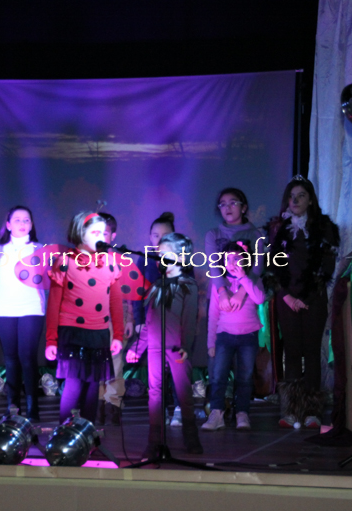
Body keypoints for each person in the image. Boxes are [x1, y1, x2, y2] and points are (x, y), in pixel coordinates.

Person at [266, 176, 340, 428]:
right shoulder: (278, 228)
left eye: (301, 196)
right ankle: (291, 410)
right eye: (291, 196)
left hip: (313, 298)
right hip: (286, 298)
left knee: (312, 352)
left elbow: (327, 266)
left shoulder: (324, 227)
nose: (295, 200)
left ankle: (311, 411)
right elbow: (272, 267)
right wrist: (287, 296)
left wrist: (305, 297)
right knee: (292, 352)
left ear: (310, 200)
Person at [126, 233, 203, 457]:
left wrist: (185, 345)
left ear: (181, 257)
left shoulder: (187, 285)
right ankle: (155, 440)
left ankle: (191, 437)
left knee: (183, 391)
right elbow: (150, 321)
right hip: (155, 348)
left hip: (176, 347)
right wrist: (137, 348)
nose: (160, 257)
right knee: (155, 393)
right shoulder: (156, 286)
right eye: (158, 254)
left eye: (165, 253)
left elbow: (189, 320)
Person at [45, 211, 123, 422]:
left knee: (93, 384)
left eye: (103, 233)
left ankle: (87, 431)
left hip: (98, 332)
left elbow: (116, 302)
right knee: (74, 382)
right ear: (80, 233)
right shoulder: (65, 262)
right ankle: (65, 429)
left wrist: (118, 335)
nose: (100, 237)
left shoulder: (109, 262)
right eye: (95, 232)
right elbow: (53, 304)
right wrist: (51, 339)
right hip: (73, 331)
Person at [0, 206, 46, 420]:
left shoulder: (39, 249)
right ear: (8, 224)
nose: (22, 223)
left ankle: (32, 407)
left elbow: (46, 278)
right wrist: (6, 297)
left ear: (31, 225)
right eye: (17, 219)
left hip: (32, 307)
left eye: (26, 220)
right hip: (5, 309)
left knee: (28, 358)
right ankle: (13, 407)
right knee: (10, 359)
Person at [202, 240, 266, 431]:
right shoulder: (219, 284)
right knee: (218, 376)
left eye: (237, 258)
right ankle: (217, 413)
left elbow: (260, 299)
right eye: (228, 258)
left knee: (244, 378)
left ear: (246, 260)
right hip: (224, 336)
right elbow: (213, 315)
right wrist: (211, 343)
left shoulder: (252, 280)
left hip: (248, 336)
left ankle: (242, 413)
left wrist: (244, 278)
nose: (232, 262)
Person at [131, 212, 182, 425]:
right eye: (155, 235)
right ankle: (160, 410)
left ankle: (179, 408)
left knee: (178, 369)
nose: (160, 239)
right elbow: (136, 293)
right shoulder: (144, 259)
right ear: (150, 237)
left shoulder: (182, 259)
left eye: (165, 235)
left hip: (176, 326)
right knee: (157, 373)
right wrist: (139, 320)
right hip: (152, 325)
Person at [96, 212, 133, 425]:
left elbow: (130, 292)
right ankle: (98, 402)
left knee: (115, 361)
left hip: (116, 317)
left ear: (113, 235)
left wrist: (130, 319)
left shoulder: (121, 260)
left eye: (105, 232)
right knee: (95, 360)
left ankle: (113, 403)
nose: (100, 236)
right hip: (92, 318)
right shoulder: (84, 259)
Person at [205, 188, 266, 312]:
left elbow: (257, 267)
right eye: (223, 204)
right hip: (219, 296)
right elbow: (214, 266)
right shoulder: (213, 235)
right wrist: (222, 292)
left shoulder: (254, 235)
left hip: (246, 296)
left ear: (243, 208)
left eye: (233, 203)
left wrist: (241, 292)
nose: (227, 207)